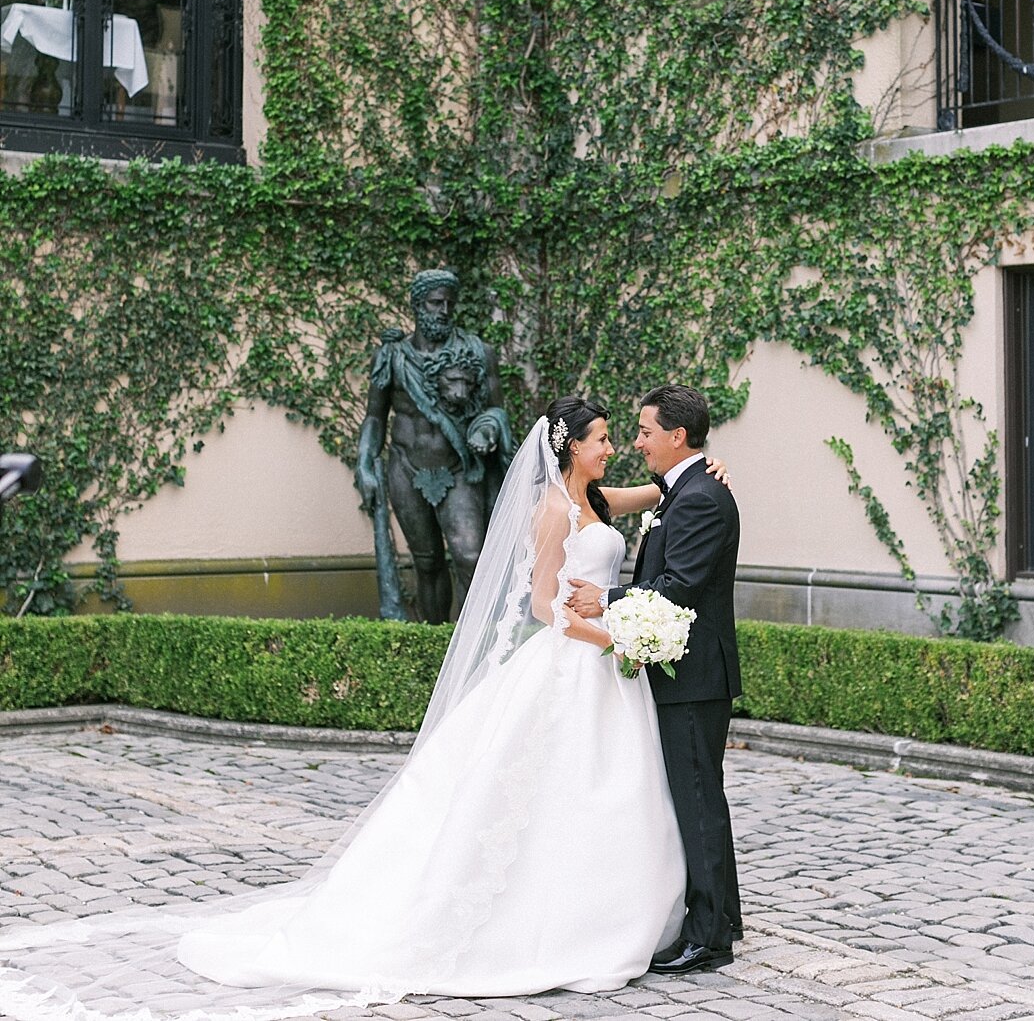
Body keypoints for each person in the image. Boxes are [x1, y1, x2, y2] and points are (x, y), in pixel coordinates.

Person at [0, 397, 734, 1019]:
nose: (616, 447)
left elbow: (671, 494)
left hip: (608, 671)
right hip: (571, 660)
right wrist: (602, 629)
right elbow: (543, 604)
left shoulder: (599, 500)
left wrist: (707, 471)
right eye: (603, 438)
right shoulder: (551, 511)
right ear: (569, 448)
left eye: (621, 435)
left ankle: (631, 912)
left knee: (616, 796)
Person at [569, 384, 742, 975]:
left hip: (693, 676)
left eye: (644, 432)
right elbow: (594, 495)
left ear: (677, 435)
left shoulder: (698, 498)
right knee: (694, 797)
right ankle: (717, 921)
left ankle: (709, 937)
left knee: (697, 799)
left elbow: (679, 587)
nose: (636, 442)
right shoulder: (683, 488)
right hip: (679, 673)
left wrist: (607, 599)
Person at [354, 268, 514, 623]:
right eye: (435, 303)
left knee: (470, 555)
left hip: (458, 467)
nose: (443, 310)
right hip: (406, 466)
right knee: (426, 562)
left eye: (448, 304)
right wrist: (365, 462)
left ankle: (474, 644)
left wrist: (488, 428)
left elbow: (495, 410)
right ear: (417, 305)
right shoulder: (393, 356)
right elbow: (375, 417)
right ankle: (435, 639)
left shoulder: (478, 352)